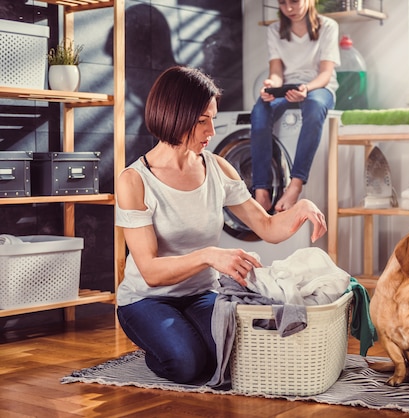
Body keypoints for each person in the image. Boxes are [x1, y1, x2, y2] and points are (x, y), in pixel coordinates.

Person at [114, 65, 327, 384]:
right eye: (202, 121)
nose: (211, 131)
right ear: (174, 116)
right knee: (186, 364)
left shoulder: (217, 168)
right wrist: (209, 256)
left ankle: (184, 335)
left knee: (234, 358)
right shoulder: (135, 181)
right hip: (146, 298)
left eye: (213, 118)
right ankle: (160, 344)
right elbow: (150, 272)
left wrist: (302, 208)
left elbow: (267, 227)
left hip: (201, 293)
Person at [251, 0, 340, 212]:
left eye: (294, 1)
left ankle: (295, 186)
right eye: (282, 3)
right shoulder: (275, 30)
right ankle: (261, 191)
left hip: (319, 87)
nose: (289, 8)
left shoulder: (328, 26)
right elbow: (276, 72)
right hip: (287, 86)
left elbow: (326, 74)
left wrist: (306, 89)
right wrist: (271, 85)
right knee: (260, 109)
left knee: (315, 106)